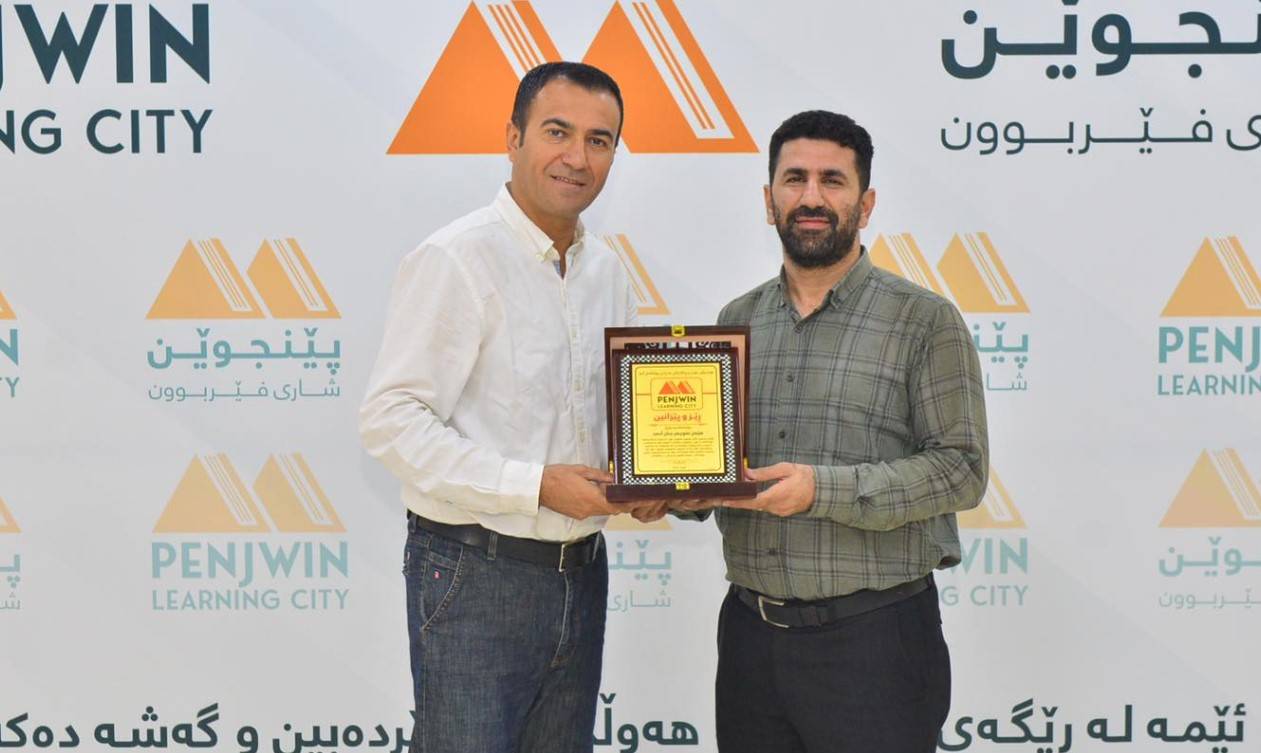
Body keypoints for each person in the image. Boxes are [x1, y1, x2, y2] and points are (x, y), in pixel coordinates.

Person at [359, 61, 656, 753]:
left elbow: (608, 424)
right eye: (557, 132)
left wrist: (649, 481)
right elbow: (392, 419)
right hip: (475, 576)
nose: (577, 157)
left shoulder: (609, 272)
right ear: (513, 137)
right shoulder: (456, 258)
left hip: (580, 572)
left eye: (599, 140)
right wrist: (535, 485)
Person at [682, 110, 988, 752]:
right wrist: (678, 489)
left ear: (865, 203)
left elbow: (961, 470)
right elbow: (714, 465)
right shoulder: (735, 322)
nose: (812, 197)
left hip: (874, 645)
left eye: (833, 180)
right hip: (749, 641)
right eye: (794, 179)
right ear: (769, 200)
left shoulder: (923, 321)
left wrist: (822, 491)